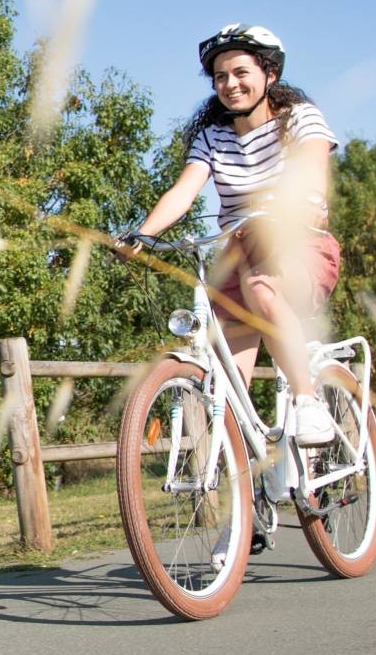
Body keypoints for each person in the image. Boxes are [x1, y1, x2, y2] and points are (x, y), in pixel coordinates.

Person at [124, 24, 343, 446]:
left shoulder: (298, 118)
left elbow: (313, 164)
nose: (230, 84)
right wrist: (143, 234)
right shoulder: (212, 137)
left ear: (270, 74)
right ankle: (239, 459)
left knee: (263, 287)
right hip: (238, 251)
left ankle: (308, 402)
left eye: (241, 72)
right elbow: (184, 191)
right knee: (224, 374)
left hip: (300, 242)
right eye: (220, 77)